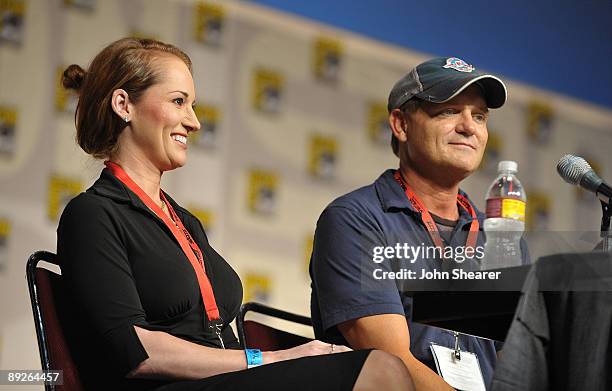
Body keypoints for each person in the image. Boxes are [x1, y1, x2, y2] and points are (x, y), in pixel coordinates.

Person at [56, 37, 414, 391]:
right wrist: (271, 360)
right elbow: (136, 353)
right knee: (380, 368)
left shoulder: (185, 222)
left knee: (364, 364)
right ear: (124, 104)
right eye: (179, 102)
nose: (194, 122)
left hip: (228, 380)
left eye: (192, 105)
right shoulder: (91, 215)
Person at [310, 57, 522, 390]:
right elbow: (391, 364)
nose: (469, 126)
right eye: (449, 112)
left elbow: (523, 366)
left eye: (479, 116)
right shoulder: (357, 221)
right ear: (401, 124)